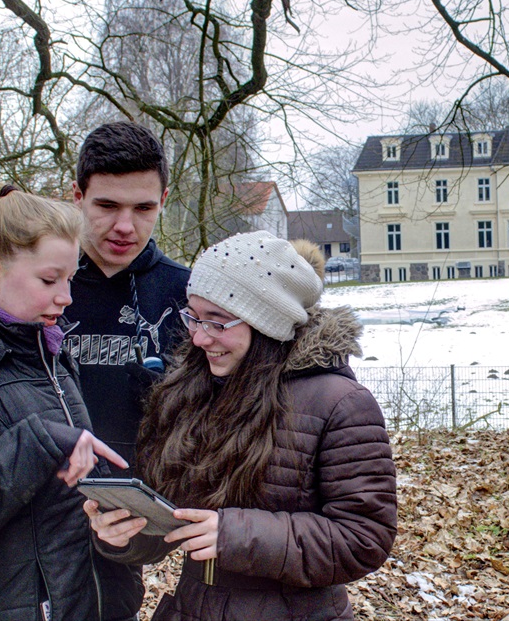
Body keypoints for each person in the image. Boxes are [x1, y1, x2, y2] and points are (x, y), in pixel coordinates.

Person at [86, 231, 398, 620]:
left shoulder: (339, 403)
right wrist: (126, 534)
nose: (199, 337)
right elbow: (175, 521)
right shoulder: (187, 388)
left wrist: (234, 535)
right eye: (193, 317)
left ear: (267, 321)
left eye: (217, 323)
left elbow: (364, 539)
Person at [0, 183, 142, 620]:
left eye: (70, 279)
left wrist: (119, 528)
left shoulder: (53, 356)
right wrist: (37, 442)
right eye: (49, 279)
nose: (66, 296)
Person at [64, 120, 190, 467]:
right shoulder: (39, 291)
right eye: (107, 206)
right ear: (78, 196)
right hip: (51, 504)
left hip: (154, 503)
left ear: (163, 200)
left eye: (143, 209)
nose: (124, 226)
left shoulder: (191, 296)